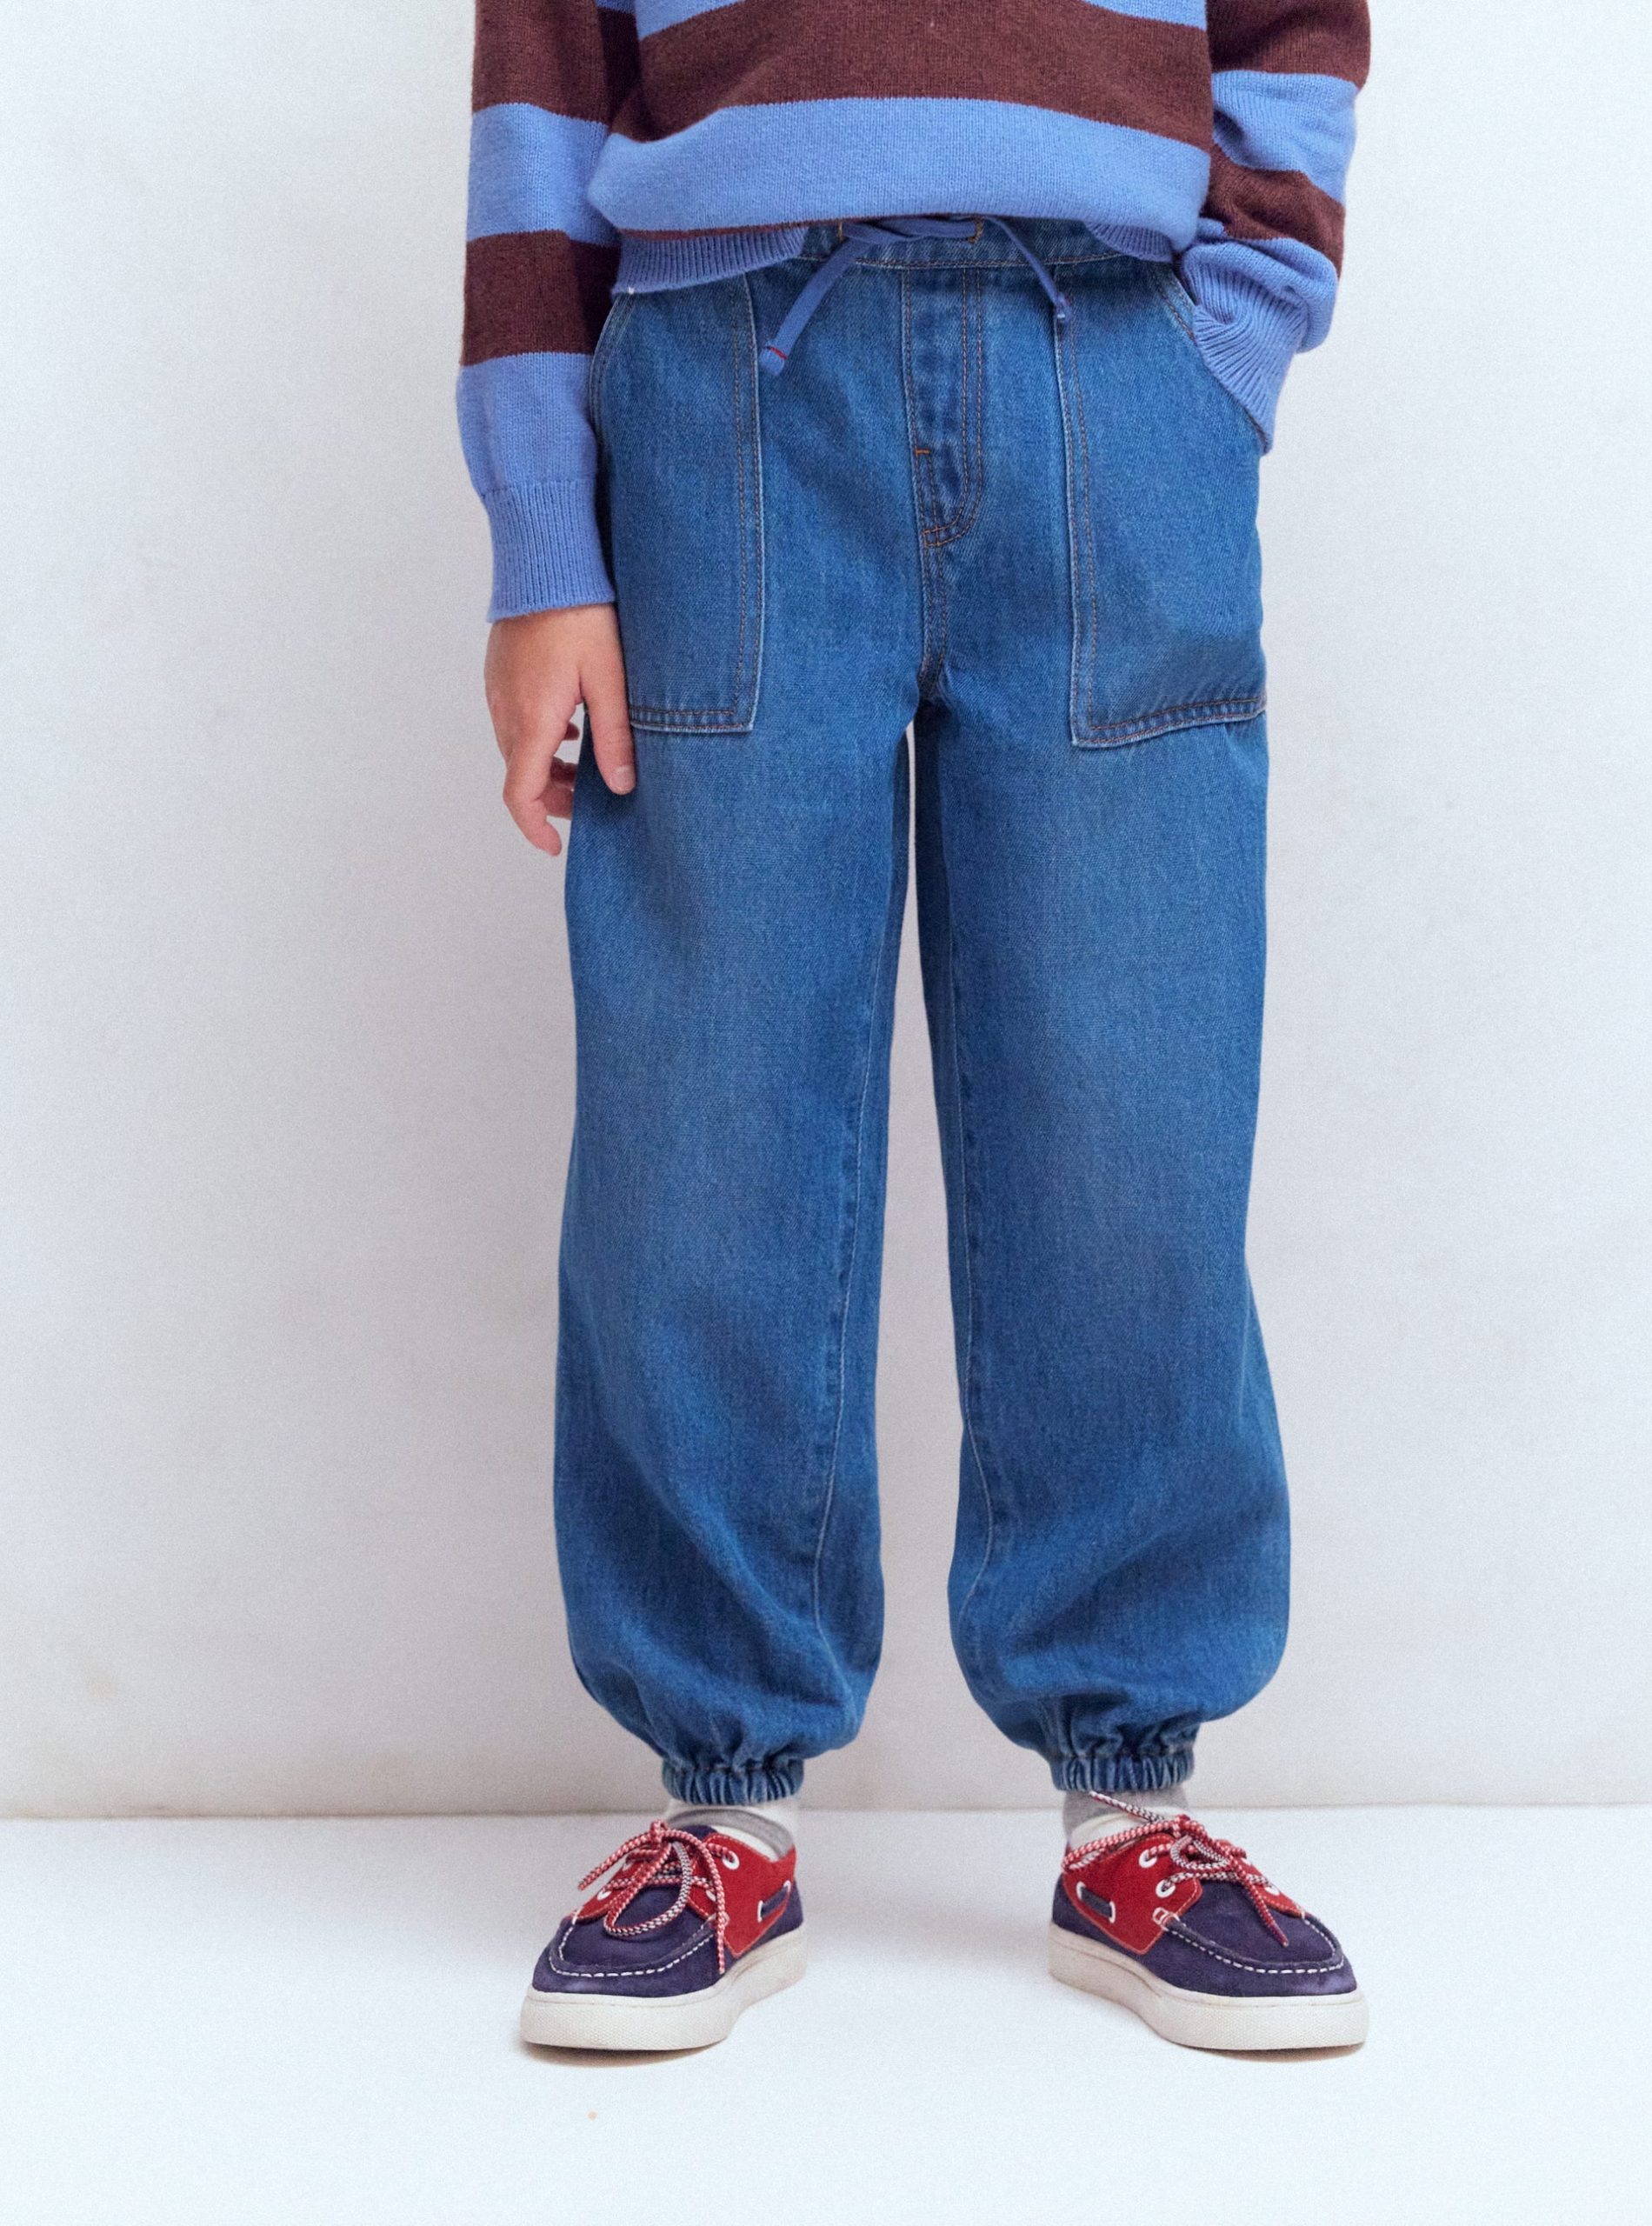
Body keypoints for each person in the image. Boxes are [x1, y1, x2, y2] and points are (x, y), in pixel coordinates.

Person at [461, 0, 1370, 2055]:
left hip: (1118, 371)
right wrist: (542, 541)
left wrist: (1234, 335)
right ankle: (718, 1800)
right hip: (725, 386)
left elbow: (1299, 21)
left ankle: (1133, 1795)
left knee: (1130, 1098)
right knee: (703, 1104)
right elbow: (540, 85)